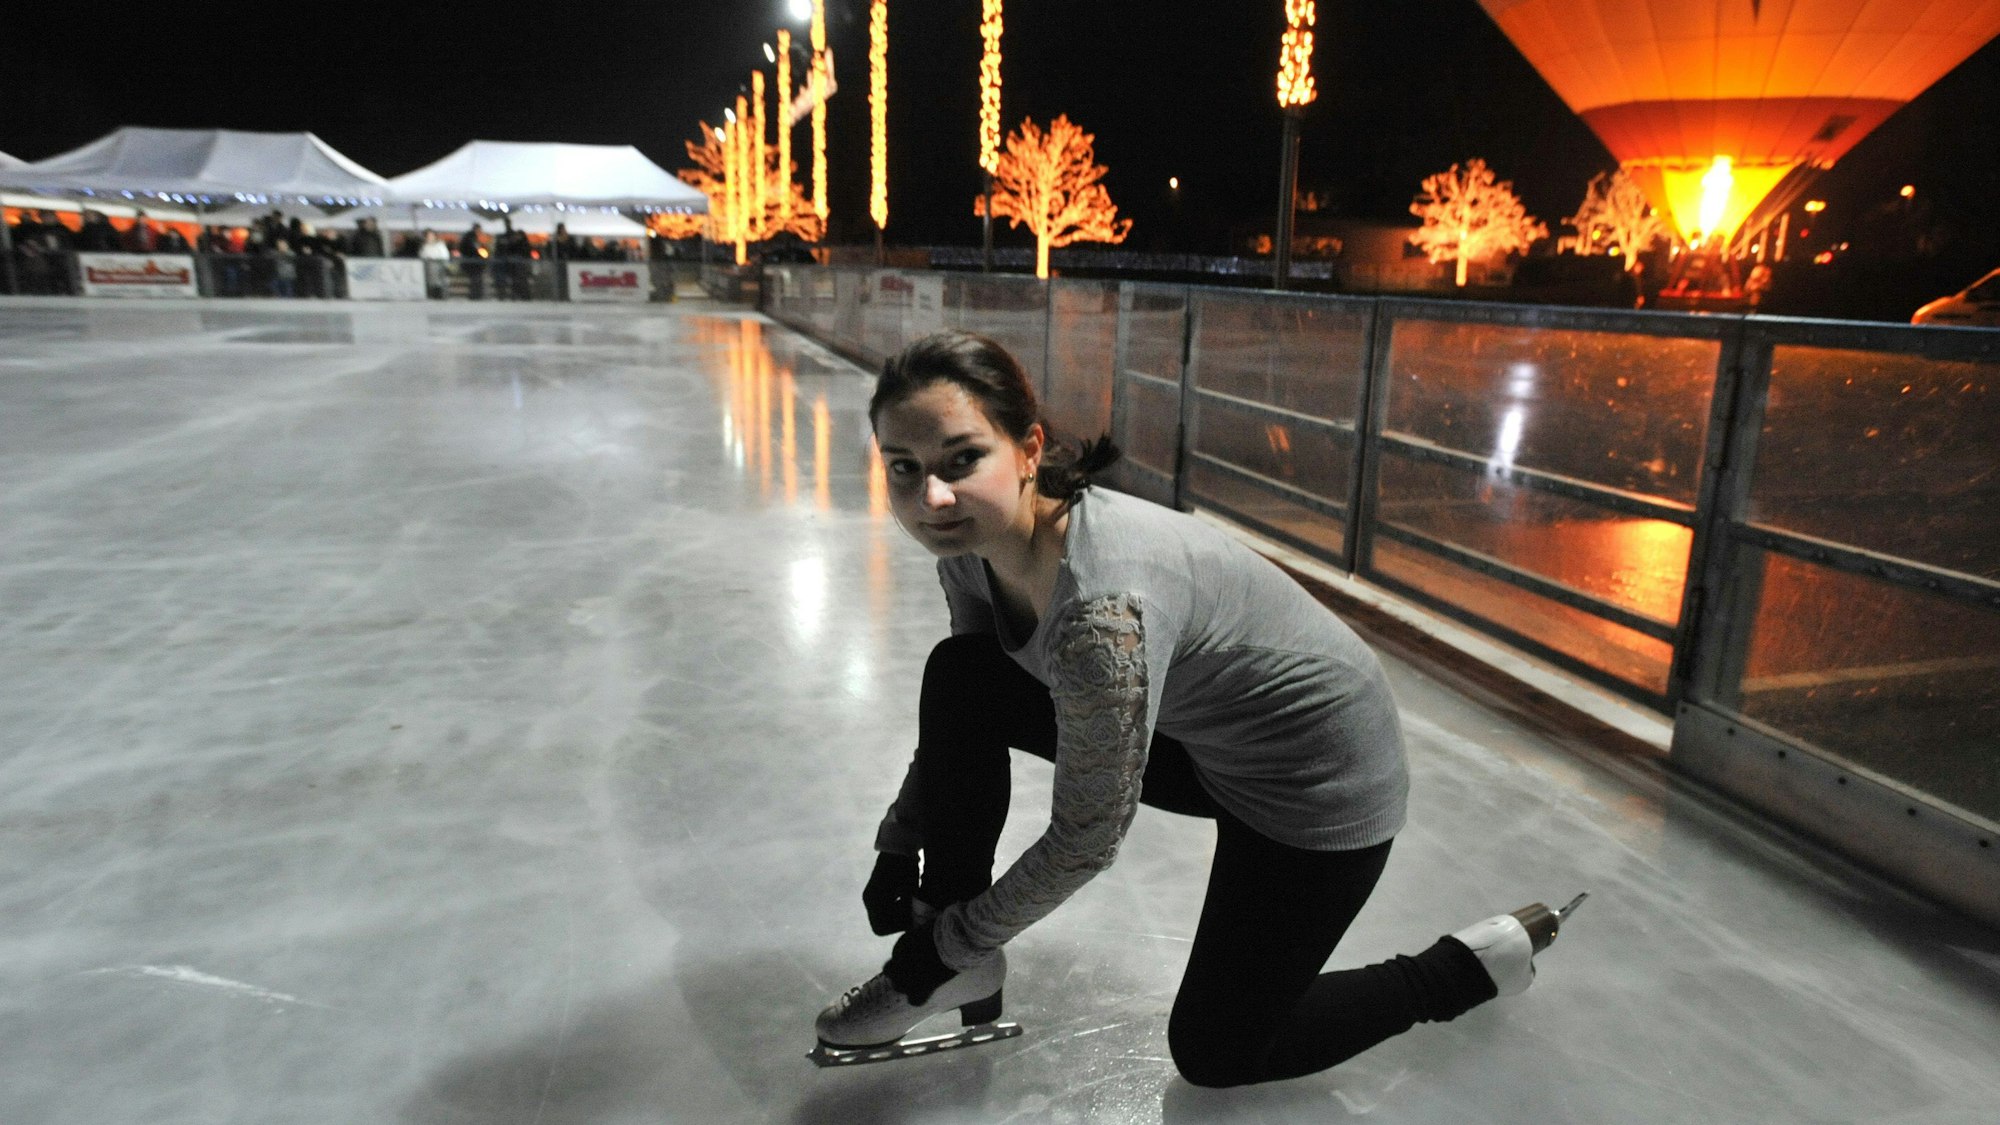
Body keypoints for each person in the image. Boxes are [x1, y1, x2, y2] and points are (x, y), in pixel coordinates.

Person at [814, 331, 1582, 1086]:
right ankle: (962, 971)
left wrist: (939, 944)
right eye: (904, 468)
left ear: (1029, 449)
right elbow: (967, 697)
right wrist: (904, 835)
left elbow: (1086, 837)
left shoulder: (1102, 610)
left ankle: (1464, 968)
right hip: (1205, 743)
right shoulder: (977, 552)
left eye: (962, 458)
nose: (932, 497)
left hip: (1315, 783)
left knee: (1219, 1050)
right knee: (963, 671)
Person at [458, 222, 486, 300]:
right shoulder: (471, 238)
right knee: (475, 279)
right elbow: (476, 250)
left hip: (472, 263)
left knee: (475, 279)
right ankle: (475, 295)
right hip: (473, 263)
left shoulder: (468, 237)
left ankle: (475, 295)